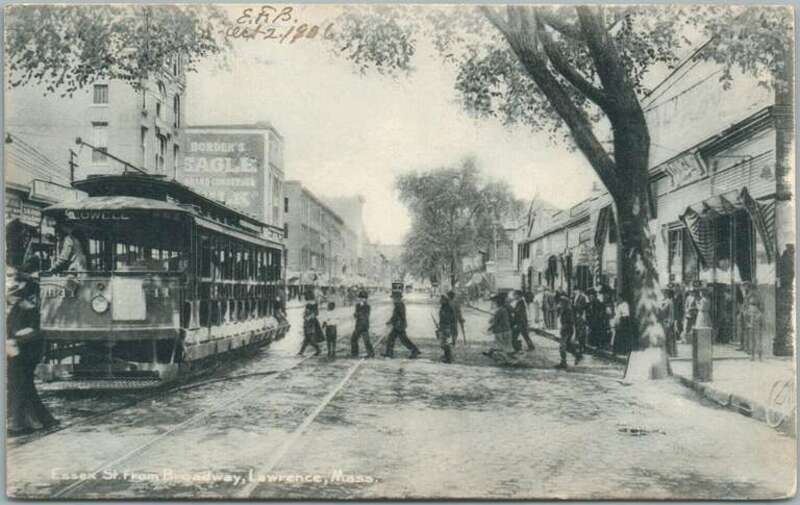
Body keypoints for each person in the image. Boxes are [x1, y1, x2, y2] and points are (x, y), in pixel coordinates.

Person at [384, 290, 420, 359]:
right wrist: (391, 321)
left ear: (398, 298)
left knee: (402, 340)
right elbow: (395, 316)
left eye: (394, 298)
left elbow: (398, 316)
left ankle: (415, 350)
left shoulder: (399, 305)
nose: (393, 299)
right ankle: (389, 353)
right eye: (393, 298)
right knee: (393, 339)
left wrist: (391, 321)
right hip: (399, 325)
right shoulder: (399, 304)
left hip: (399, 325)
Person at [485, 292, 515, 364]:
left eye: (495, 302)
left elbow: (495, 322)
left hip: (500, 331)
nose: (494, 303)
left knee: (501, 346)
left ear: (498, 303)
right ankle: (508, 359)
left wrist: (489, 328)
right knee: (507, 346)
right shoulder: (504, 309)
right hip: (507, 330)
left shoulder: (499, 310)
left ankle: (505, 360)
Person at [555, 293, 582, 369]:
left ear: (565, 302)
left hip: (567, 329)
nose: (560, 303)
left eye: (561, 302)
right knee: (568, 346)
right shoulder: (564, 309)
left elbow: (570, 321)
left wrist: (564, 328)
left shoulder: (568, 310)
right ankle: (577, 355)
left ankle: (563, 363)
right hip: (566, 329)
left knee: (562, 346)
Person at [741, 282, 764, 360]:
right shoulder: (750, 295)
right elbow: (745, 307)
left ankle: (756, 355)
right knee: (754, 336)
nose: (745, 288)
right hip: (752, 316)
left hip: (754, 316)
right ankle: (755, 355)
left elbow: (761, 306)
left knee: (754, 336)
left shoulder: (752, 295)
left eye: (745, 287)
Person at [351, 290, 374, 358]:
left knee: (366, 340)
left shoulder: (367, 306)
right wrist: (356, 314)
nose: (361, 299)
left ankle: (371, 353)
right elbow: (356, 315)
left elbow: (366, 315)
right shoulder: (357, 305)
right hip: (358, 325)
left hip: (364, 325)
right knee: (354, 339)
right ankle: (355, 353)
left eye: (363, 298)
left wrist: (358, 314)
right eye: (360, 298)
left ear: (366, 299)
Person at [437, 294, 457, 363]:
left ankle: (449, 358)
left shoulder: (448, 307)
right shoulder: (443, 306)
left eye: (442, 300)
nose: (440, 301)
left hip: (447, 327)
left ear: (445, 300)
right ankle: (446, 356)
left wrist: (449, 327)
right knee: (443, 343)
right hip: (443, 326)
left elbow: (451, 318)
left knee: (445, 343)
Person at [659, 288, 677, 357]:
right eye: (663, 292)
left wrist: (670, 321)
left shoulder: (669, 301)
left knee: (668, 337)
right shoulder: (662, 301)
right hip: (663, 321)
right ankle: (666, 352)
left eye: (665, 293)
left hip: (667, 321)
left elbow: (670, 312)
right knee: (665, 337)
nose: (663, 294)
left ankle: (670, 353)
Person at [573, 289, 589, 354]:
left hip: (581, 316)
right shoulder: (575, 297)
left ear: (578, 290)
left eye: (575, 290)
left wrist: (581, 312)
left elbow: (586, 306)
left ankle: (582, 346)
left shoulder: (583, 297)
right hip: (577, 316)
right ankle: (580, 345)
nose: (574, 292)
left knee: (582, 332)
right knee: (578, 330)